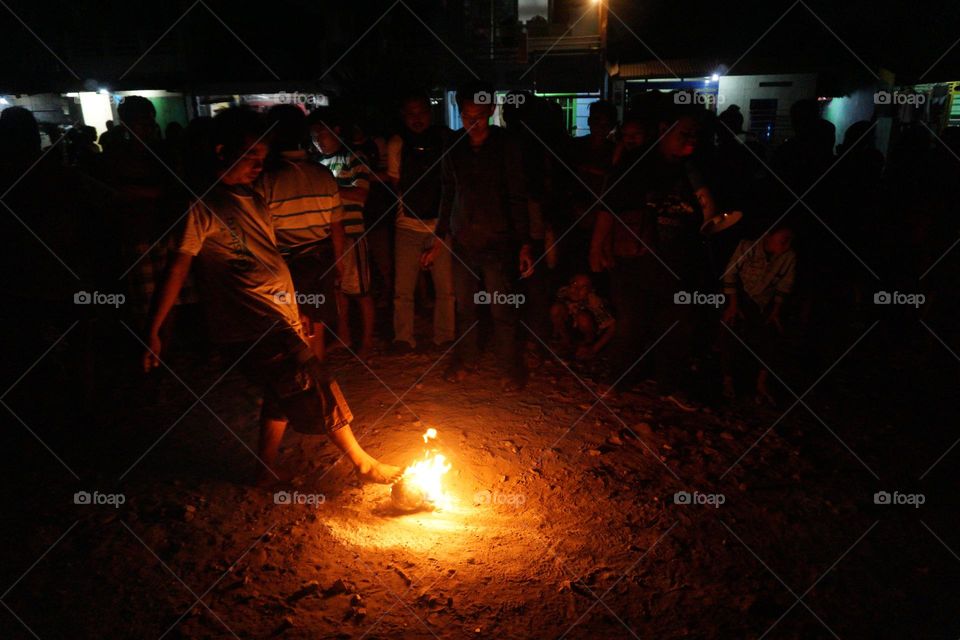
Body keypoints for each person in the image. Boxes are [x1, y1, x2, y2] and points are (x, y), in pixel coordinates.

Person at [142, 108, 400, 487]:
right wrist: (154, 328)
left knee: (281, 391)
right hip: (249, 322)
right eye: (250, 156)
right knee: (312, 380)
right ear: (221, 151)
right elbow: (177, 269)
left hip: (280, 314)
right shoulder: (203, 205)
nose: (258, 165)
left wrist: (296, 312)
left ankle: (263, 471)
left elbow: (268, 256)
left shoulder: (254, 196)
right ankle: (363, 464)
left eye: (262, 157)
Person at [590, 100, 718, 409]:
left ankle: (669, 384)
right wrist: (597, 246)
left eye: (695, 135)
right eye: (684, 133)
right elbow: (610, 207)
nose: (690, 141)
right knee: (632, 322)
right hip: (636, 257)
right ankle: (618, 378)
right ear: (664, 130)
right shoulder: (638, 164)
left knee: (677, 323)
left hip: (679, 262)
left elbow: (709, 212)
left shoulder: (696, 168)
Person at [425, 81, 532, 391]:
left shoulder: (506, 146)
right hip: (463, 241)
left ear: (491, 111)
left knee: (502, 308)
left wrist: (524, 243)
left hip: (499, 242)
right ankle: (465, 360)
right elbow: (448, 192)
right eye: (466, 115)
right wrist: (440, 235)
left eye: (479, 116)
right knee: (465, 307)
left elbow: (516, 195)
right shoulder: (454, 146)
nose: (472, 123)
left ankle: (511, 368)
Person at [261, 104, 343, 362]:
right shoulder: (324, 175)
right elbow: (336, 227)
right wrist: (338, 265)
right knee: (316, 325)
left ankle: (305, 386)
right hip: (321, 261)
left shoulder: (266, 180)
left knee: (293, 327)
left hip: (286, 265)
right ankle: (317, 381)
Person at [387, 91, 455, 353]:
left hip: (440, 224)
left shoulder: (445, 139)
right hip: (407, 224)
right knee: (403, 288)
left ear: (430, 113)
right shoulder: (397, 143)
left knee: (445, 289)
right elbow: (397, 183)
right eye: (411, 114)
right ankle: (403, 338)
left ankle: (445, 337)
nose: (417, 119)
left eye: (422, 112)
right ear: (403, 117)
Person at [308, 108, 377, 358]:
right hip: (328, 236)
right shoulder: (317, 163)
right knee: (338, 291)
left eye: (321, 134)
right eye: (314, 136)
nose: (318, 141)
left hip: (352, 234)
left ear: (336, 130)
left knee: (361, 291)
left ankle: (368, 340)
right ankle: (345, 337)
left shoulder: (354, 157)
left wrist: (328, 189)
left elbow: (361, 194)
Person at [720, 226, 797, 405]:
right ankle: (727, 380)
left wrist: (776, 311)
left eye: (790, 241)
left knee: (772, 335)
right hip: (738, 296)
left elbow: (784, 286)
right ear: (769, 236)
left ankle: (761, 384)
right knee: (729, 328)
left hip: (763, 304)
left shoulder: (788, 256)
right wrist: (733, 304)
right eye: (783, 240)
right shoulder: (747, 247)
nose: (787, 245)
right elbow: (730, 274)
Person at [550, 274, 615, 360]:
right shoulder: (563, 293)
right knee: (556, 309)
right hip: (571, 330)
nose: (577, 290)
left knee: (582, 318)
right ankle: (564, 341)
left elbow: (612, 327)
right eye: (575, 284)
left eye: (583, 287)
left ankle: (587, 345)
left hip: (588, 332)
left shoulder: (594, 303)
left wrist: (594, 349)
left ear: (590, 290)